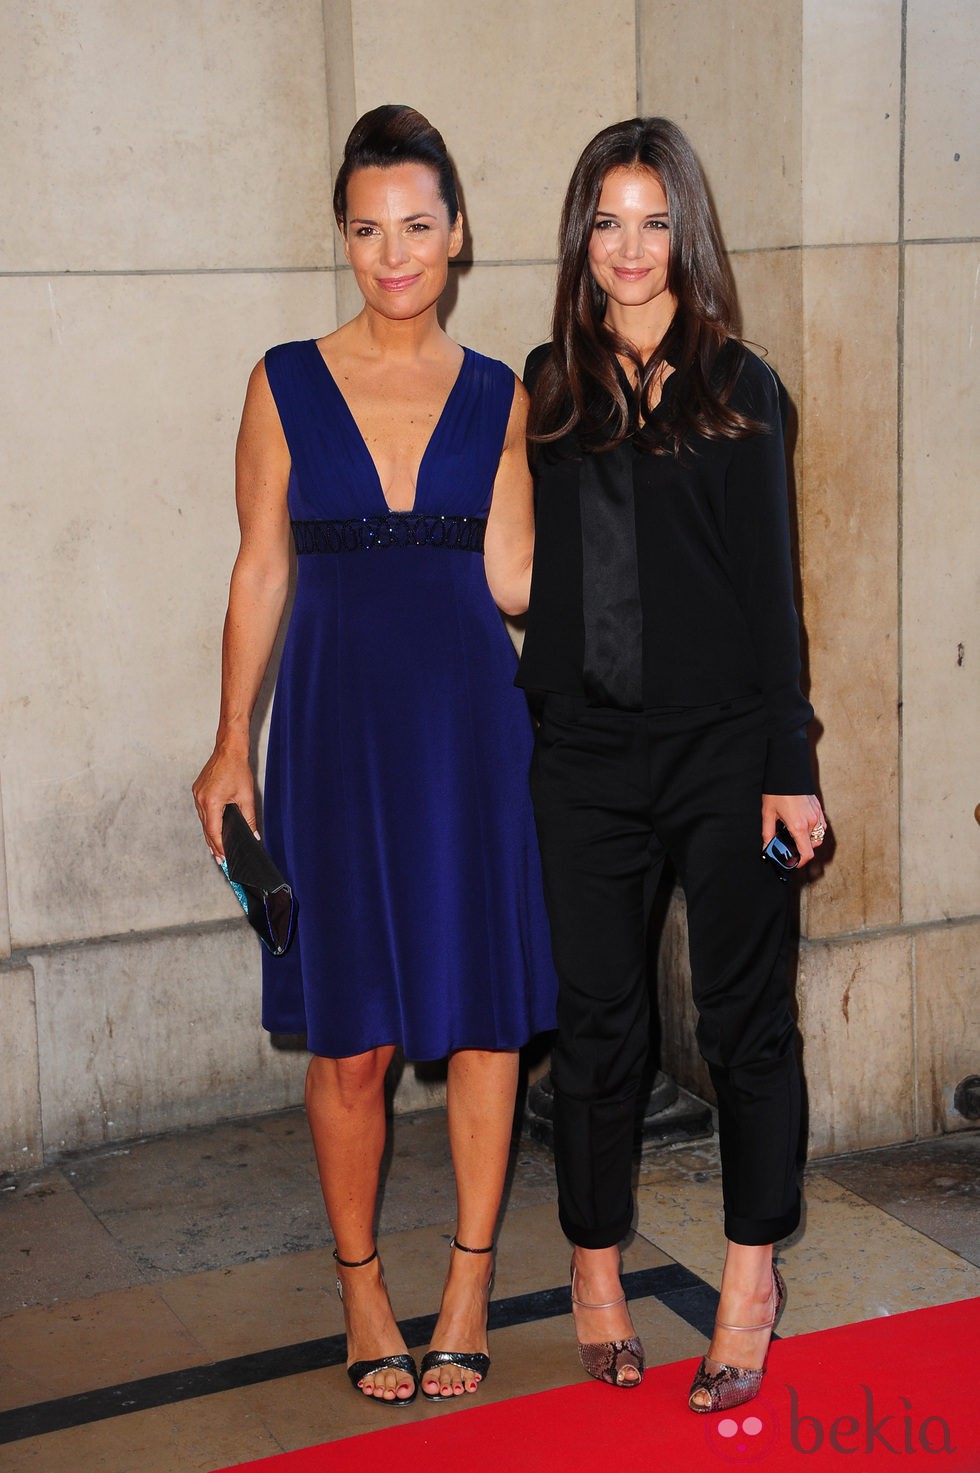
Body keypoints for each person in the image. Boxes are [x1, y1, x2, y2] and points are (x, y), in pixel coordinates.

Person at [193, 105, 556, 1409]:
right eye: (366, 228)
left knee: (480, 1024)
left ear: (458, 234)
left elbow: (520, 578)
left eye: (417, 225)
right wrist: (229, 742)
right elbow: (260, 566)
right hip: (335, 741)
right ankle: (360, 1284)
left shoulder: (509, 396)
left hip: (472, 735)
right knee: (345, 1040)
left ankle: (465, 1278)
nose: (393, 252)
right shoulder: (283, 378)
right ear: (343, 237)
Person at [518, 117, 827, 1411]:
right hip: (584, 756)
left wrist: (790, 763)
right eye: (608, 220)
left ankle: (751, 1275)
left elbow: (773, 596)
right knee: (596, 1030)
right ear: (581, 240)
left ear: (685, 233)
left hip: (723, 756)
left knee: (746, 1021)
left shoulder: (740, 388)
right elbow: (509, 573)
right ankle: (597, 1267)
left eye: (654, 220)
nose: (631, 248)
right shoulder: (546, 386)